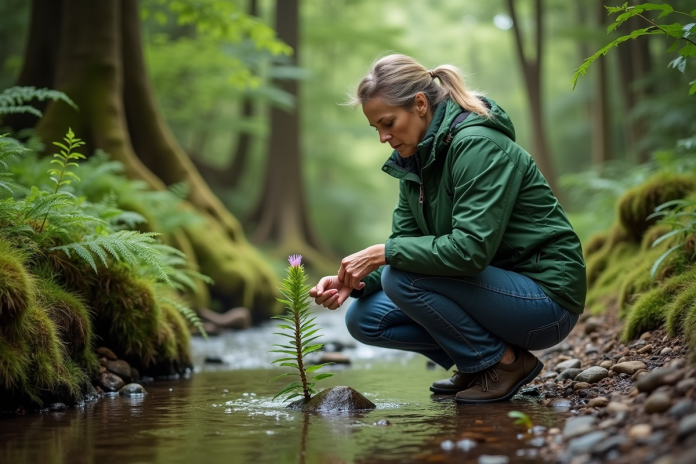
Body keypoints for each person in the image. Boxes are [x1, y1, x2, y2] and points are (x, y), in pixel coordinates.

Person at [309, 54, 586, 404]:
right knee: (365, 318)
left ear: (420, 105)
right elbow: (407, 244)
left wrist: (382, 254)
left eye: (388, 123)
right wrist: (354, 281)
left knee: (402, 276)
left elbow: (469, 250)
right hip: (493, 293)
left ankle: (504, 364)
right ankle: (476, 364)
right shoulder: (415, 163)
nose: (383, 137)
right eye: (376, 128)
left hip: (546, 302)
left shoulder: (477, 145)